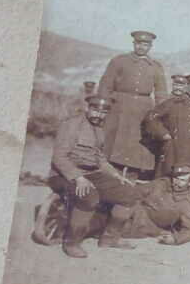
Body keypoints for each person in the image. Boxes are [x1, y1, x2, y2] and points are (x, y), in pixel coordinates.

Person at [48, 95, 144, 258]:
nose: (98, 115)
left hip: (91, 174)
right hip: (64, 175)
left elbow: (100, 159)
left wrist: (116, 175)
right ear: (87, 108)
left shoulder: (99, 129)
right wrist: (78, 177)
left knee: (129, 193)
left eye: (103, 112)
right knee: (88, 196)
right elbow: (59, 157)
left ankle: (110, 238)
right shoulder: (71, 125)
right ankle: (72, 243)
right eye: (95, 110)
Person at [97, 30, 168, 176]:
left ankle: (131, 176)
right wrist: (102, 106)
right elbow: (106, 84)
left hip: (142, 109)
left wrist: (161, 114)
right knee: (113, 140)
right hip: (119, 106)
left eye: (146, 44)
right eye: (139, 43)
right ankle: (106, 173)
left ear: (150, 47)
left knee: (136, 143)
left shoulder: (155, 66)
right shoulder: (119, 61)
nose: (142, 47)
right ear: (134, 44)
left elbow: (161, 92)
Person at [124, 165, 190, 245]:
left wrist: (176, 239)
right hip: (130, 211)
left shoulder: (187, 203)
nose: (176, 182)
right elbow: (135, 193)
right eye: (175, 178)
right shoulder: (161, 184)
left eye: (182, 180)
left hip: (144, 225)